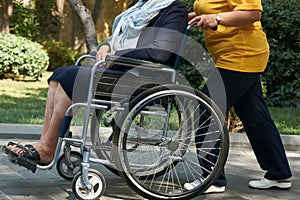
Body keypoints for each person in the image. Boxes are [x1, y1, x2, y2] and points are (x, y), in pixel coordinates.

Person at [2, 0, 188, 167]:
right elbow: (117, 40)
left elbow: (159, 53)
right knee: (60, 74)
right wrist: (105, 47)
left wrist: (116, 56)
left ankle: (47, 149)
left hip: (144, 80)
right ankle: (44, 144)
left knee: (73, 77)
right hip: (122, 72)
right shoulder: (140, 8)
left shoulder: (174, 10)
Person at [183, 0, 292, 194]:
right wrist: (194, 16)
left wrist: (216, 18)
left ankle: (212, 178)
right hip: (233, 55)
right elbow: (214, 7)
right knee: (254, 115)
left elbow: (252, 13)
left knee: (207, 109)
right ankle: (279, 173)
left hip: (242, 55)